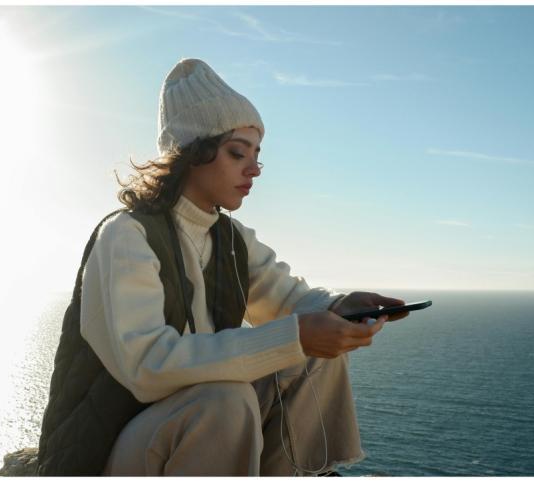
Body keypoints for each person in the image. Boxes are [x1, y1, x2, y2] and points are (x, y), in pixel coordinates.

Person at [35, 58, 408, 476]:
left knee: (319, 356)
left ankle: (294, 472)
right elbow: (147, 366)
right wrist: (296, 335)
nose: (254, 170)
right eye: (237, 153)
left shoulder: (230, 239)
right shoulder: (127, 235)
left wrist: (341, 306)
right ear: (193, 152)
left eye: (256, 156)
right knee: (226, 399)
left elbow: (287, 299)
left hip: (191, 423)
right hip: (109, 446)